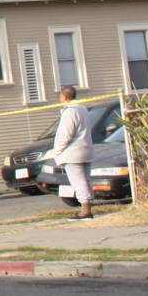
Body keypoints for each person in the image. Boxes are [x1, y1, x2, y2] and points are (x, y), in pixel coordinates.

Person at [50, 86, 94, 219]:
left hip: (73, 153)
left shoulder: (70, 111)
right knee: (86, 180)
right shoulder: (83, 108)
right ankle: (88, 207)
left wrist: (57, 152)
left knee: (78, 181)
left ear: (65, 97)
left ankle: (85, 210)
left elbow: (65, 134)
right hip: (86, 149)